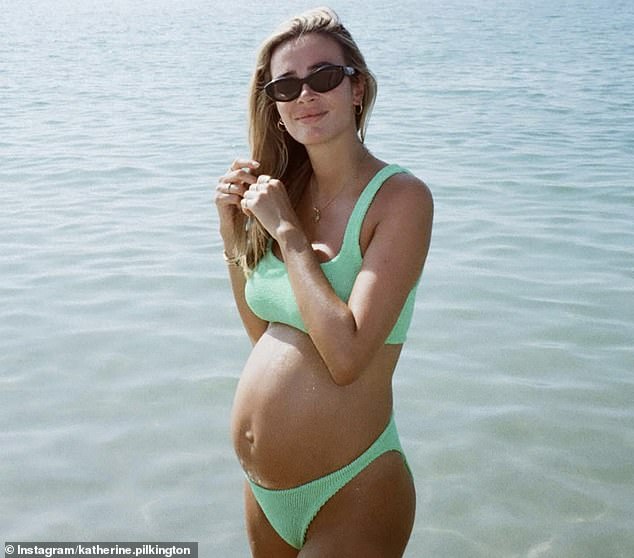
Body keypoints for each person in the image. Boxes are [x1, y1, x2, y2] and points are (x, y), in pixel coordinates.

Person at [214, 7, 433, 557]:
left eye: (325, 77)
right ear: (276, 106)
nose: (306, 95)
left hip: (354, 489)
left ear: (357, 88)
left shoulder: (400, 198)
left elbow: (347, 355)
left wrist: (287, 234)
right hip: (264, 494)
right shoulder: (280, 190)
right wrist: (231, 233)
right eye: (287, 85)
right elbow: (264, 334)